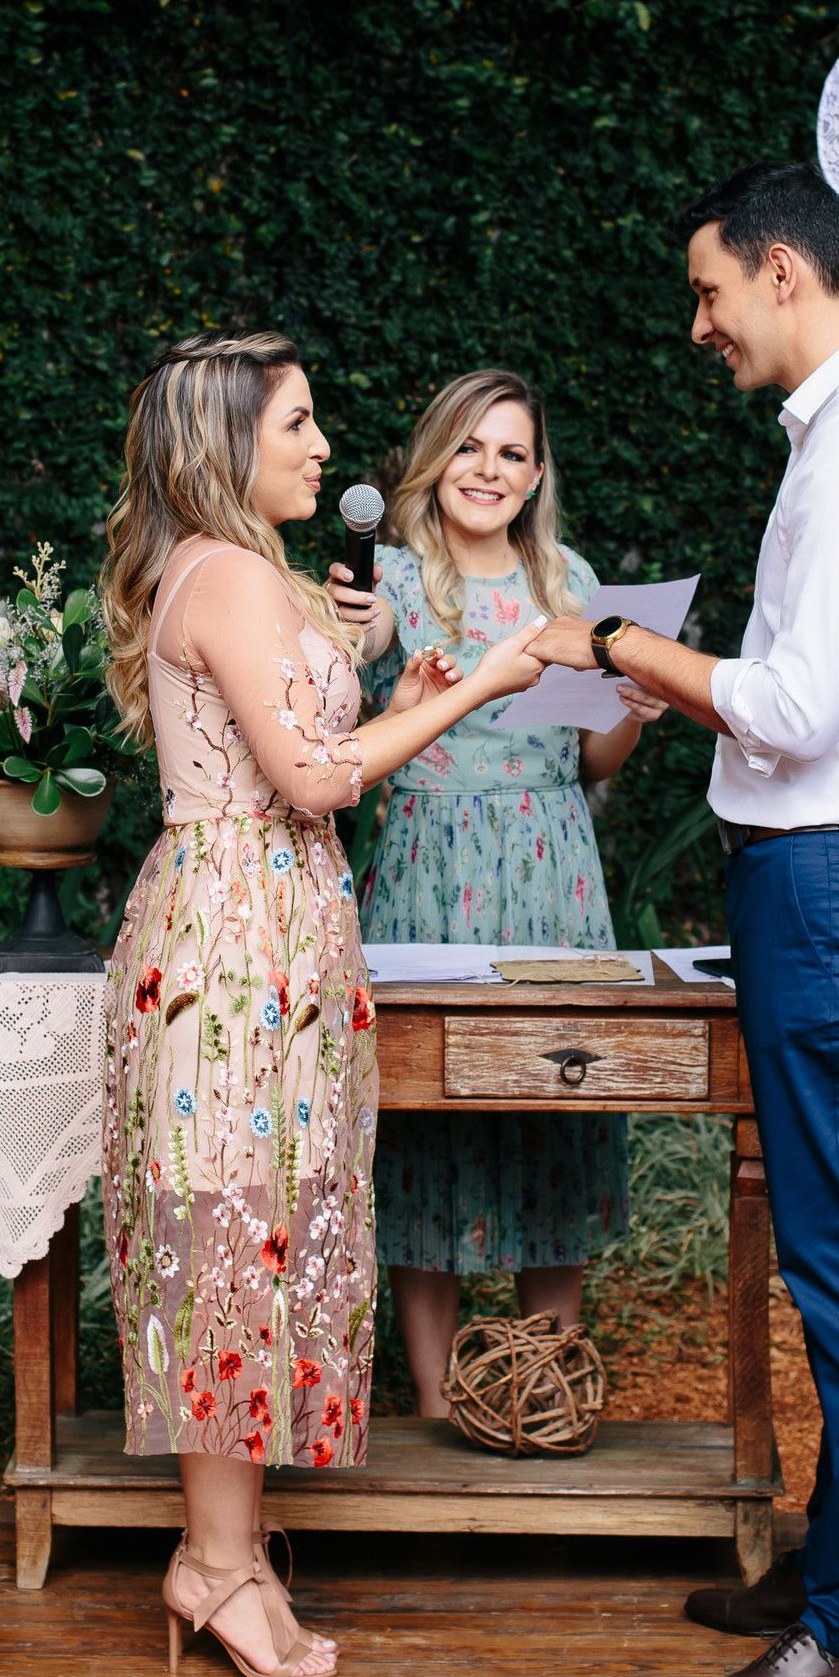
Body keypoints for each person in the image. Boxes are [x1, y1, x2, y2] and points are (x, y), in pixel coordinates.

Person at [525, 163, 839, 1677]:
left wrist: (606, 645)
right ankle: (829, 1571)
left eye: (710, 290)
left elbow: (792, 712)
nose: (698, 324)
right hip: (829, 877)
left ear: (785, 272)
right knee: (830, 1243)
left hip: (837, 880)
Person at [98, 330, 545, 1677]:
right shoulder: (224, 573)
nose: (320, 446)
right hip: (233, 942)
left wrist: (395, 686)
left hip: (277, 933)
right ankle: (214, 1565)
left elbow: (309, 736)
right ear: (224, 442)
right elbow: (310, 778)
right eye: (295, 424)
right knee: (229, 1238)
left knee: (263, 1233)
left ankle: (228, 1556)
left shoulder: (257, 575)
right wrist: (472, 687)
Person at [326, 369, 666, 1414]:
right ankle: (434, 1400)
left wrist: (633, 708)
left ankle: (545, 1387)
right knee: (427, 1125)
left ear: (534, 474)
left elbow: (592, 761)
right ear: (436, 458)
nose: (488, 468)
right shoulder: (384, 576)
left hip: (552, 872)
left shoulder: (569, 580)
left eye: (510, 452)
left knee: (555, 1112)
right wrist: (358, 632)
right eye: (469, 447)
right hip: (426, 868)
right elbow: (354, 674)